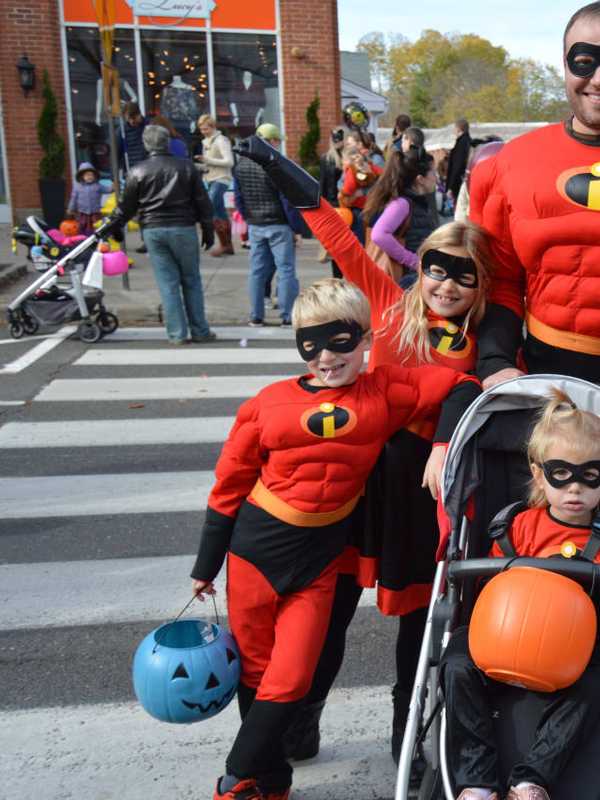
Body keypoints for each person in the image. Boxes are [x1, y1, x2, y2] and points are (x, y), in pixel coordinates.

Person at [233, 132, 494, 768]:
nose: (446, 285)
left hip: (432, 485)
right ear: (420, 267)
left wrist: (440, 443)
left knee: (420, 619)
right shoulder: (389, 305)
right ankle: (300, 718)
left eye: (463, 274)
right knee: (332, 605)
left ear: (480, 283)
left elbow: (471, 392)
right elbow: (334, 230)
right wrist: (272, 162)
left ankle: (408, 737)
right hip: (366, 473)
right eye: (436, 268)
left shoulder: (489, 339)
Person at [190, 275, 480, 800]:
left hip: (320, 559)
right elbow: (227, 488)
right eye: (311, 343)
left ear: (367, 339)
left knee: (293, 677)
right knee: (256, 673)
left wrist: (440, 444)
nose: (325, 356)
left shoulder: (386, 389)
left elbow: (462, 387)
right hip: (256, 551)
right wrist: (205, 567)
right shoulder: (266, 404)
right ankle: (270, 781)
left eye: (340, 341)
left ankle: (234, 777)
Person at [441, 388, 600, 800]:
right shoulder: (516, 528)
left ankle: (532, 779)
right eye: (561, 474)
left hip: (575, 649)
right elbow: (489, 588)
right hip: (506, 639)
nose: (575, 490)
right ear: (538, 471)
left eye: (591, 475)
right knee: (457, 663)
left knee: (593, 685)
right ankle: (477, 778)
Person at [470, 2, 600, 388]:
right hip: (549, 368)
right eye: (585, 61)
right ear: (564, 63)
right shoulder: (515, 161)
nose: (598, 79)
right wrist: (494, 359)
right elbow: (500, 276)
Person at [112, 125, 216, 345]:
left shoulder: (138, 171)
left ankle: (177, 333)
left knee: (168, 283)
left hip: (153, 229)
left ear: (146, 144)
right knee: (191, 280)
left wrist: (115, 226)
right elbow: (202, 202)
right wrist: (208, 230)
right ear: (167, 142)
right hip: (183, 227)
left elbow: (126, 206)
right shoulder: (186, 168)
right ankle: (200, 330)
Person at [232, 122, 301, 327]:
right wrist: (296, 228)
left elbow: (238, 198)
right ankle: (288, 315)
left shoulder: (241, 164)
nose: (278, 144)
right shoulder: (274, 165)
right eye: (277, 140)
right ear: (270, 141)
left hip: (255, 223)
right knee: (286, 270)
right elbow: (286, 201)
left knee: (256, 271)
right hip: (279, 223)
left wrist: (248, 217)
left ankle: (256, 315)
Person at [362, 146, 437, 285]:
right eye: (433, 172)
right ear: (420, 179)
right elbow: (379, 235)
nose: (436, 177)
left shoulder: (416, 202)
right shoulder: (403, 203)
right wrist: (413, 261)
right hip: (404, 280)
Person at [195, 114, 235, 258]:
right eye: (201, 129)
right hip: (211, 178)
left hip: (222, 179)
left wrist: (207, 160)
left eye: (205, 129)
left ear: (213, 127)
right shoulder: (206, 141)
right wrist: (199, 165)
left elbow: (229, 162)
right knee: (219, 211)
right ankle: (227, 245)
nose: (203, 132)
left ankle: (224, 244)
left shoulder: (221, 140)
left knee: (211, 207)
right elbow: (210, 163)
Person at [66, 162, 105, 236]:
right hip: (83, 212)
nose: (89, 177)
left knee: (97, 226)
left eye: (91, 175)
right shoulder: (77, 187)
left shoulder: (98, 186)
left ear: (94, 176)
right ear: (82, 176)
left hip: (95, 212)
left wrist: (113, 187)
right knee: (82, 227)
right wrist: (70, 209)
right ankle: (84, 239)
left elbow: (107, 190)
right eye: (87, 175)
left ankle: (97, 238)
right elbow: (73, 198)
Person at [446, 118, 471, 204]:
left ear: (459, 128)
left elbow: (457, 166)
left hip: (459, 182)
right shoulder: (467, 141)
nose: (453, 130)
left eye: (455, 128)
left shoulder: (461, 143)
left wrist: (451, 187)